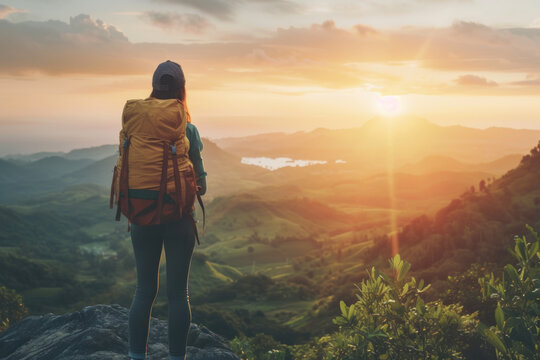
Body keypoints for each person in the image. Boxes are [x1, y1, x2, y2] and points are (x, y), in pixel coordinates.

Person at [127, 60, 207, 360]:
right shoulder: (188, 129)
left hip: (141, 216)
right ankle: (176, 357)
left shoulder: (136, 125)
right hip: (178, 220)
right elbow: (201, 185)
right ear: (181, 89)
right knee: (177, 294)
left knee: (143, 291)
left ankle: (136, 355)